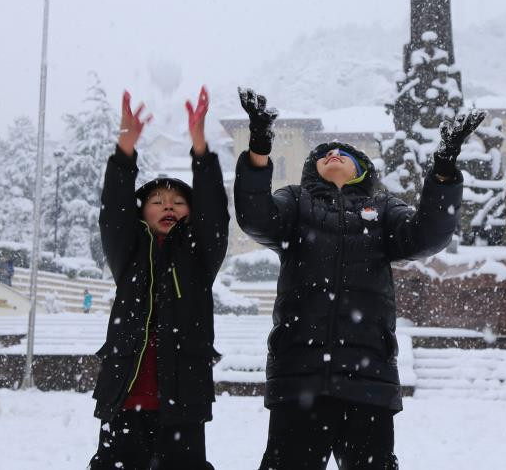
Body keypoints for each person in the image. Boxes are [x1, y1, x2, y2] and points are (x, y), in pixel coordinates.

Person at [234, 87, 485, 470]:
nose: (333, 155)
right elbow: (255, 218)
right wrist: (258, 149)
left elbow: (428, 236)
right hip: (300, 369)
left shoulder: (383, 207)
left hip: (368, 373)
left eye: (344, 154)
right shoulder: (296, 201)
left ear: (362, 170)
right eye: (325, 155)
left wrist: (445, 168)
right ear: (312, 170)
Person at [88, 86, 228, 470]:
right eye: (157, 202)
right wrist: (125, 152)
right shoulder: (128, 255)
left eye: (178, 202)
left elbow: (215, 215)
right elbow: (113, 213)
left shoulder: (200, 258)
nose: (168, 206)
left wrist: (201, 150)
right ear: (142, 213)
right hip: (124, 397)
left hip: (182, 401)